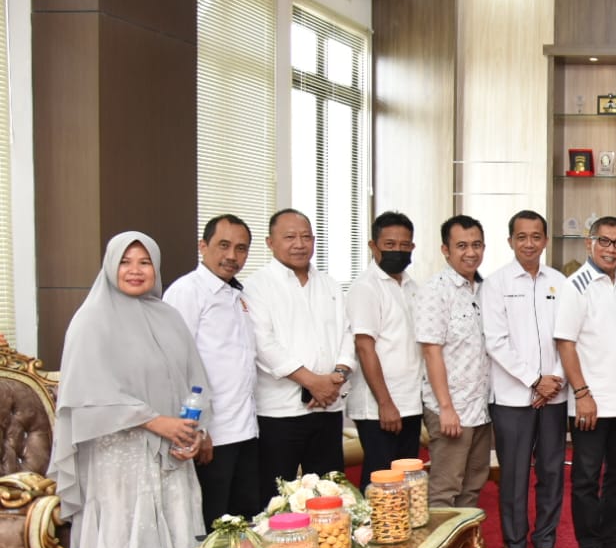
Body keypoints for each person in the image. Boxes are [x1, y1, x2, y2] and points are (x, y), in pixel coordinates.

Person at [51, 232, 207, 548]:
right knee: (125, 535)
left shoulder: (169, 317)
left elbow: (194, 382)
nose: (135, 270)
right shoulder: (91, 319)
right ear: (110, 266)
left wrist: (192, 431)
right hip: (119, 456)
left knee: (175, 529)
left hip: (171, 450)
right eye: (125, 262)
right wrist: (155, 422)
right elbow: (90, 392)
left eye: (144, 262)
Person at [246, 209, 355, 508]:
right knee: (277, 499)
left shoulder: (330, 285)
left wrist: (337, 376)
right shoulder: (256, 286)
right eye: (290, 237)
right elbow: (263, 344)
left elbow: (348, 333)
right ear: (270, 242)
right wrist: (313, 382)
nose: (299, 244)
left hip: (328, 406)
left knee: (331, 495)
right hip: (280, 413)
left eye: (306, 237)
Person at [482, 210, 570, 548]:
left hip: (554, 397)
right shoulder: (496, 284)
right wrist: (535, 379)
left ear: (546, 240)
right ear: (510, 242)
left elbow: (570, 336)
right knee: (515, 474)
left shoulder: (559, 282)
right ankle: (516, 547)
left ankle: (545, 544)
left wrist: (557, 379)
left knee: (552, 470)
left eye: (536, 236)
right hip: (512, 398)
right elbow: (496, 342)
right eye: (522, 237)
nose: (529, 243)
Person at [555, 216, 616, 548]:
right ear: (589, 244)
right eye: (604, 241)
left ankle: (614, 538)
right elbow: (565, 342)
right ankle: (588, 546)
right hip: (591, 402)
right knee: (587, 477)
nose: (611, 249)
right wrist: (582, 393)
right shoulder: (574, 286)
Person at [416, 215, 498, 548]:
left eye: (476, 244)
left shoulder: (485, 288)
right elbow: (432, 352)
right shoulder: (436, 291)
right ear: (445, 250)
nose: (470, 252)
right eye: (462, 246)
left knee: (473, 483)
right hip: (451, 408)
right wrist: (446, 408)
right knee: (445, 489)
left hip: (480, 407)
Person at [163, 214, 258, 525]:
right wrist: (198, 430)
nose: (232, 256)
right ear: (202, 246)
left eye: (241, 249)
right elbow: (175, 365)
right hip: (211, 436)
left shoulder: (237, 295)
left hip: (244, 430)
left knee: (244, 522)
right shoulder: (187, 292)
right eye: (223, 245)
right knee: (212, 526)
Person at [346, 211, 424, 487]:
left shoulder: (413, 286)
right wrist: (385, 403)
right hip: (379, 407)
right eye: (390, 245)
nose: (398, 251)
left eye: (405, 245)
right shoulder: (366, 288)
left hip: (410, 401)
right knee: (382, 484)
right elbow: (365, 348)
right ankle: (374, 532)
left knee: (407, 480)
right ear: (373, 246)